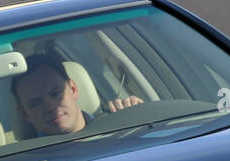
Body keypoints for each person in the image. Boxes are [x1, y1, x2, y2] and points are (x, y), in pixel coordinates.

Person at [11, 52, 143, 136]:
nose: (50, 106)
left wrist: (138, 118)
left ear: (73, 89)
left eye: (55, 93)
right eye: (36, 103)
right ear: (24, 114)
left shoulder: (120, 125)